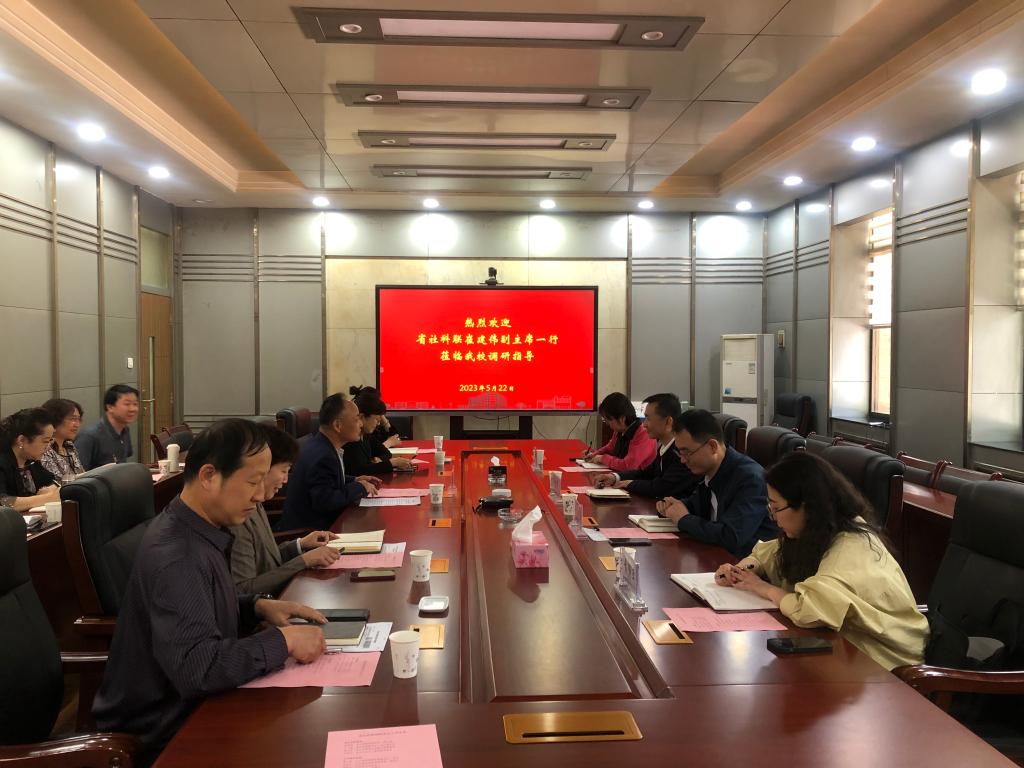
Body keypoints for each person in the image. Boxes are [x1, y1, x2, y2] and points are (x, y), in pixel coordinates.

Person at [93, 419, 328, 766]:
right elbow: (199, 669)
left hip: (195, 708)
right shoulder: (178, 555)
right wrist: (284, 641)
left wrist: (255, 606)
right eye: (252, 482)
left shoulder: (197, 528)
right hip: (166, 734)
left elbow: (201, 608)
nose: (260, 496)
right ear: (208, 476)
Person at [714, 451, 928, 670]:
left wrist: (763, 588)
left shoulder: (851, 547)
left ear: (807, 506)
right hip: (844, 648)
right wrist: (742, 570)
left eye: (776, 508)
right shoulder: (818, 531)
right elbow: (765, 554)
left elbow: (808, 611)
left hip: (885, 662)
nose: (774, 517)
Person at [230, 425, 340, 595]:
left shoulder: (257, 504)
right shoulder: (237, 516)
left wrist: (300, 545)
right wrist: (303, 561)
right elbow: (243, 590)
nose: (286, 480)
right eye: (284, 471)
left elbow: (267, 561)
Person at [657, 408, 776, 558]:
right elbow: (697, 505)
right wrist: (674, 506)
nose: (683, 460)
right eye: (680, 453)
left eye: (687, 453)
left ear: (712, 446)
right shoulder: (709, 471)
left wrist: (684, 519)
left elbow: (731, 536)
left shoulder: (750, 479)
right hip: (715, 558)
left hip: (744, 564)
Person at [276, 393, 381, 531]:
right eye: (356, 419)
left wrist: (355, 479)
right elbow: (326, 501)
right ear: (337, 425)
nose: (361, 424)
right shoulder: (323, 456)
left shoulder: (320, 444)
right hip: (310, 533)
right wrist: (360, 487)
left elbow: (328, 480)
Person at [593, 393, 698, 500]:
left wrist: (629, 484)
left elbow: (662, 487)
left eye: (648, 419)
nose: (644, 424)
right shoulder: (664, 447)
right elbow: (645, 473)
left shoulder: (682, 453)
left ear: (668, 422)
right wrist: (615, 477)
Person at [342, 387, 414, 475]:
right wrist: (392, 463)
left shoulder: (366, 435)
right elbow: (360, 470)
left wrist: (379, 460)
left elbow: (386, 453)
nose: (378, 424)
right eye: (376, 419)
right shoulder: (351, 438)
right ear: (362, 417)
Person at [0, 408, 60, 512]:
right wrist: (48, 498)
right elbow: (4, 502)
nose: (48, 447)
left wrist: (50, 488)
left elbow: (52, 482)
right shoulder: (2, 462)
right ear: (21, 440)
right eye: (45, 441)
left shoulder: (31, 462)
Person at [583, 392, 656, 472]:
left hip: (638, 478)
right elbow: (610, 447)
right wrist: (594, 454)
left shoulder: (643, 434)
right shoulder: (619, 430)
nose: (607, 423)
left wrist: (603, 458)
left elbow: (628, 466)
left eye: (609, 420)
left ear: (622, 419)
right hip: (620, 475)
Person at [75, 384, 139, 469]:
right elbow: (79, 472)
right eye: (127, 404)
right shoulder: (89, 436)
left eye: (135, 404)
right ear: (110, 407)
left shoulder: (125, 429)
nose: (133, 409)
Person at [40, 398, 86, 482]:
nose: (77, 424)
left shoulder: (69, 445)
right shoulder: (45, 449)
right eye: (73, 419)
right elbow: (57, 481)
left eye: (78, 419)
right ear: (55, 420)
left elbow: (81, 473)